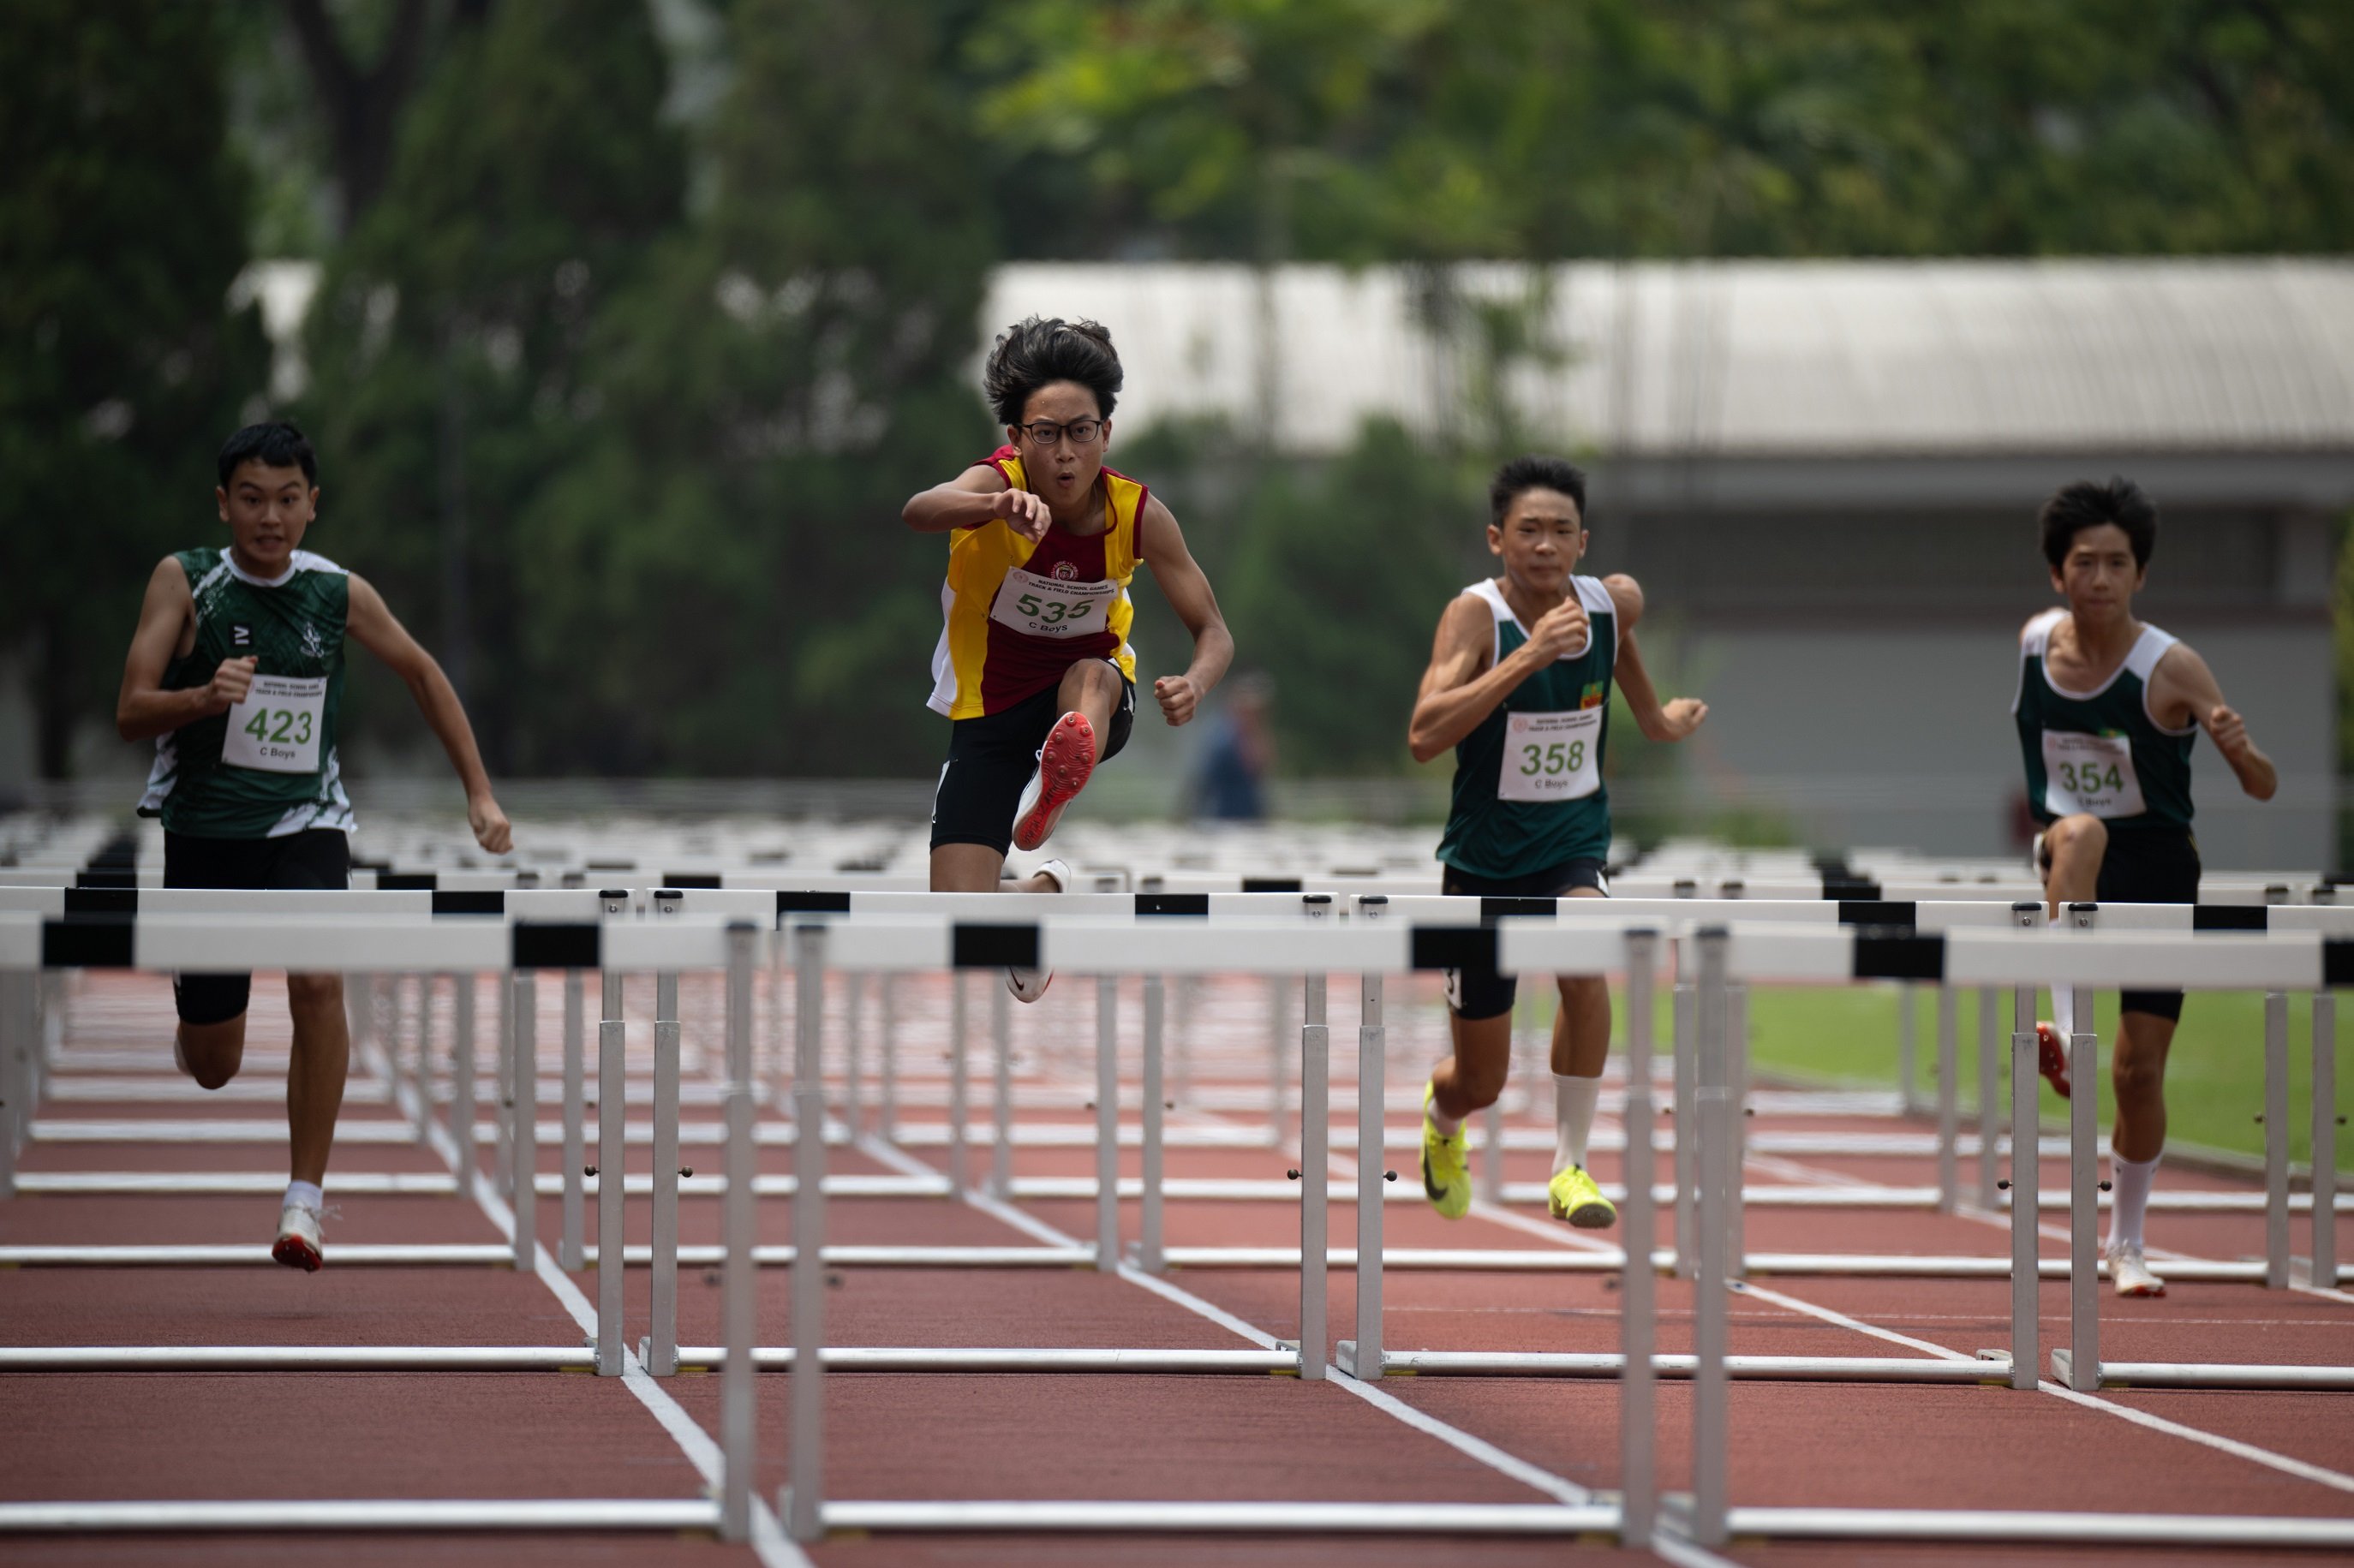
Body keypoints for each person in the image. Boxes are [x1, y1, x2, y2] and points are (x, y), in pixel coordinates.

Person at [116, 422, 511, 1271]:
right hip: (205, 832)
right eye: (252, 499)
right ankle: (193, 1031)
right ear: (224, 503)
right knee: (216, 1062)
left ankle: (305, 1201)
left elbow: (423, 673)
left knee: (320, 978)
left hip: (308, 821)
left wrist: (478, 791)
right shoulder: (186, 582)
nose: (271, 517)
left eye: (288, 500)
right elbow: (129, 708)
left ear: (313, 505)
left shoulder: (337, 593)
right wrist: (200, 699)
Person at [1407, 456, 1706, 1228]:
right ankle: (1443, 1125)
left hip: (1572, 843)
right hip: (1480, 865)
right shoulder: (1474, 617)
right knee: (1480, 1080)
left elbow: (1623, 660)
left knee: (1587, 950)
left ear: (1583, 541)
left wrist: (1660, 719)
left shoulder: (1609, 605)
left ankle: (1571, 1164)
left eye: (1561, 531)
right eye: (1529, 531)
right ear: (1496, 538)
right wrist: (1530, 656)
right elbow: (1423, 734)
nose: (1545, 545)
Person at [903, 317, 1233, 999]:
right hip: (992, 710)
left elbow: (1215, 632)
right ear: (1017, 439)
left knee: (1089, 674)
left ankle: (1062, 774)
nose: (1064, 454)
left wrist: (1196, 684)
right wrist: (992, 505)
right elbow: (920, 509)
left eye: (1081, 431)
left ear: (1105, 434)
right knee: (956, 919)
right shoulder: (997, 483)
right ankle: (1040, 886)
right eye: (1045, 434)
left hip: (1089, 698)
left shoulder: (1139, 514)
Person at [2016, 477, 2277, 1297]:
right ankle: (2060, 1018)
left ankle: (2126, 1243)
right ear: (2058, 575)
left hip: (2162, 867)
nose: (2099, 578)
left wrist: (2238, 750)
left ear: (2140, 575)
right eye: (2084, 563)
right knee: (2082, 831)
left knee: (2138, 1074)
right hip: (2070, 854)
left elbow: (2264, 785)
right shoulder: (2033, 646)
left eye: (2117, 564)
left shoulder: (2171, 664)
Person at [1192, 671, 1274, 821]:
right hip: (1222, 819)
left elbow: (1260, 774)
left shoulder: (1251, 735)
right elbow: (1203, 781)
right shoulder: (1222, 739)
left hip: (1249, 817)